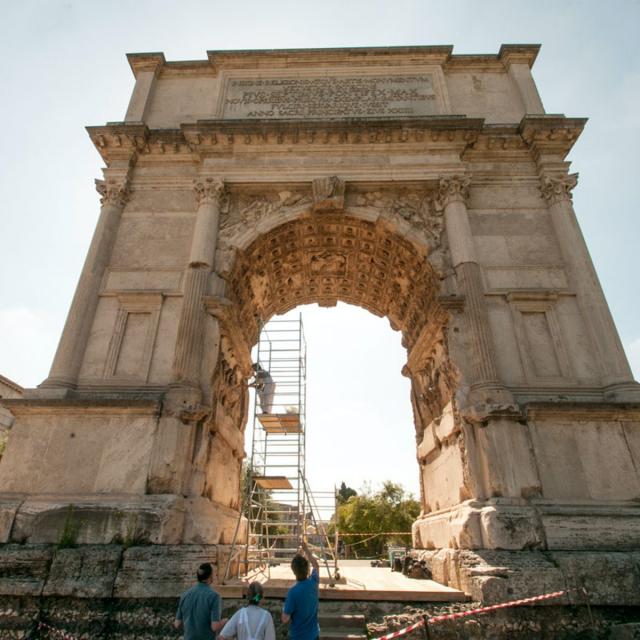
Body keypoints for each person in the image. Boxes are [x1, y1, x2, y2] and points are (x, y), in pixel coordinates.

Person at [175, 563, 228, 640]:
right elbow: (215, 627)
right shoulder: (214, 596)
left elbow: (177, 624)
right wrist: (226, 621)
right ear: (210, 576)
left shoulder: (184, 595)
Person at [281, 541, 320, 640]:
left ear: (293, 571)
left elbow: (285, 619)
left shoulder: (293, 592)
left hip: (298, 636)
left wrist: (284, 607)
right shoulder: (314, 583)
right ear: (307, 569)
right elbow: (316, 565)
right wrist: (306, 549)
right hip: (314, 635)